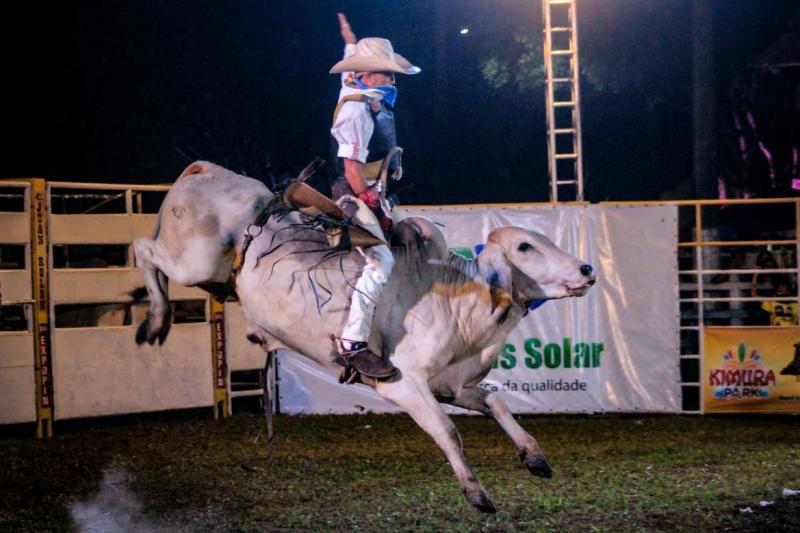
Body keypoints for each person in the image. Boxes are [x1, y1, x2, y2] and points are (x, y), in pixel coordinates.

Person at [328, 13, 420, 379]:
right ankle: (352, 344)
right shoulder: (356, 111)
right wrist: (369, 200)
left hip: (368, 187)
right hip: (352, 190)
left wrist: (349, 38)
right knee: (381, 261)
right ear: (367, 75)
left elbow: (349, 60)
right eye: (385, 72)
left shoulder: (354, 85)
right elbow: (351, 168)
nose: (391, 78)